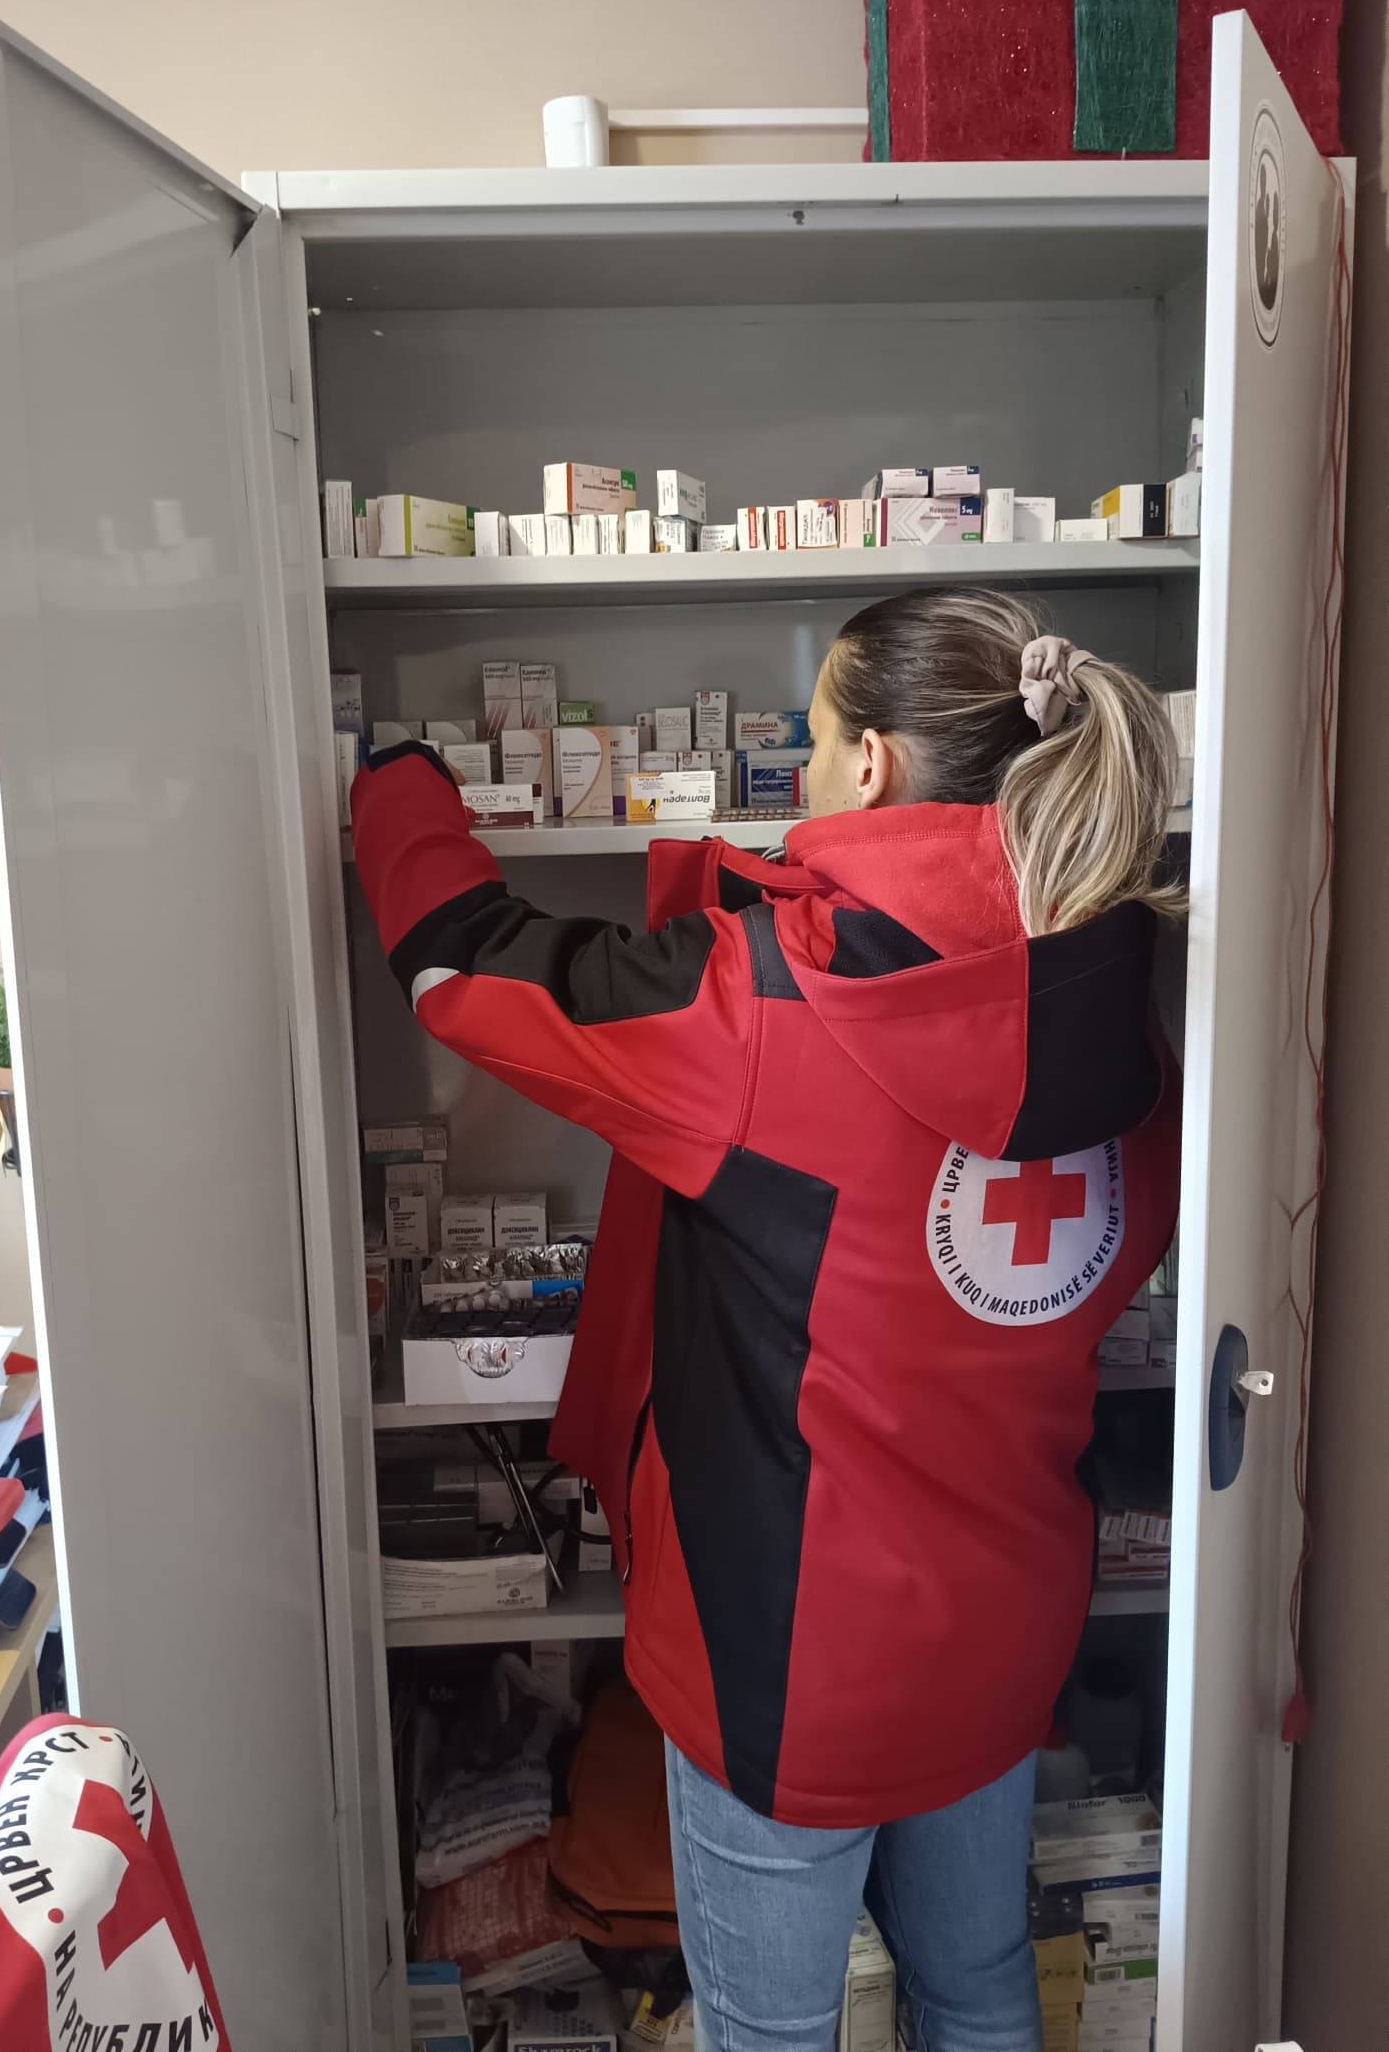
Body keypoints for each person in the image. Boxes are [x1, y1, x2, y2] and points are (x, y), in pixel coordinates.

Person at [352, 588, 1182, 2052]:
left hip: (790, 1672)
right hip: (1003, 1622)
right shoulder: (1121, 990)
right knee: (980, 1985)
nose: (797, 780)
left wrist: (398, 782)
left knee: (770, 2029)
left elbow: (465, 964)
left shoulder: (763, 1004)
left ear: (872, 766)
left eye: (810, 745)